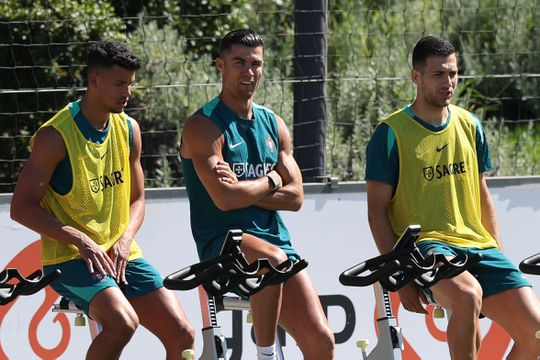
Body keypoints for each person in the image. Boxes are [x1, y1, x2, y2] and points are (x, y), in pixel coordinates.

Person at [10, 40, 194, 359]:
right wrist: (79, 239)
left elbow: (138, 199)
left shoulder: (130, 129)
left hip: (120, 254)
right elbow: (20, 208)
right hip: (70, 260)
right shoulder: (55, 136)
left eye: (131, 84)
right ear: (94, 80)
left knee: (183, 334)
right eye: (120, 83)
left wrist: (124, 239)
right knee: (123, 323)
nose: (128, 93)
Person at [365, 35, 540, 359]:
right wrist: (400, 277)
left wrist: (496, 251)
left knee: (537, 334)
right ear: (416, 77)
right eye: (438, 74)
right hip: (427, 248)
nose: (448, 82)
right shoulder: (389, 134)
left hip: (479, 246)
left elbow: (482, 194)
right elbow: (376, 212)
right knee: (468, 296)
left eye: (453, 73)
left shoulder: (470, 124)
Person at [180, 29, 335, 360]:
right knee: (273, 261)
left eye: (256, 64)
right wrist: (274, 179)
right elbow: (225, 200)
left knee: (322, 341)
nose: (248, 72)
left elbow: (295, 198)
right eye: (239, 63)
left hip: (276, 241)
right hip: (224, 246)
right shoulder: (203, 126)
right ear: (220, 65)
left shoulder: (273, 123)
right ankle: (265, 354)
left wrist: (245, 187)